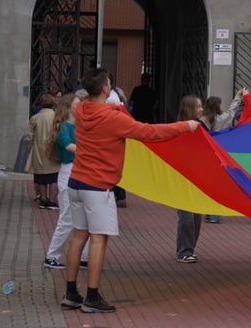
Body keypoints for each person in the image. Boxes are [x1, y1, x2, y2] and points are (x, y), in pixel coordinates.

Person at [62, 68, 200, 314]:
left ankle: (71, 293)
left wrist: (115, 108)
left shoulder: (82, 110)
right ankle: (92, 297)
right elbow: (150, 133)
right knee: (98, 240)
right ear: (106, 89)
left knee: (78, 236)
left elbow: (102, 109)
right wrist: (185, 126)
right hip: (98, 186)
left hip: (76, 182)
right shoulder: (114, 119)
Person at [43, 94, 90, 270]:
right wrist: (90, 151)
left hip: (81, 171)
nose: (80, 107)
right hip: (69, 171)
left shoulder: (80, 126)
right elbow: (67, 144)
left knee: (86, 218)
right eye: (77, 104)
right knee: (67, 218)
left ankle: (84, 257)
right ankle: (52, 255)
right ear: (68, 107)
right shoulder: (64, 127)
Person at [201, 88, 249, 224]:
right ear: (217, 106)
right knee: (219, 185)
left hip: (207, 155)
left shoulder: (202, 120)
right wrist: (238, 96)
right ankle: (215, 215)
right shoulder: (222, 119)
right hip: (221, 154)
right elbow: (232, 110)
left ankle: (209, 211)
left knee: (209, 185)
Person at [176, 94, 206, 262]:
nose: (201, 109)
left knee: (196, 218)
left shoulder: (202, 127)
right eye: (198, 107)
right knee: (186, 217)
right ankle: (184, 251)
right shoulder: (179, 128)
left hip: (197, 180)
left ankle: (189, 249)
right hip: (182, 180)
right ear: (189, 109)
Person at [25, 93, 60, 209]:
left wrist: (30, 148)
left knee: (41, 177)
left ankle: (43, 199)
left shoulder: (35, 118)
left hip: (38, 151)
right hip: (52, 150)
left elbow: (30, 136)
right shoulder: (56, 117)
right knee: (54, 176)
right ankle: (52, 200)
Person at [105, 73, 128, 207]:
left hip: (113, 134)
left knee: (114, 164)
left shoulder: (112, 98)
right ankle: (119, 195)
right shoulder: (116, 95)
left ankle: (117, 194)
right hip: (115, 133)